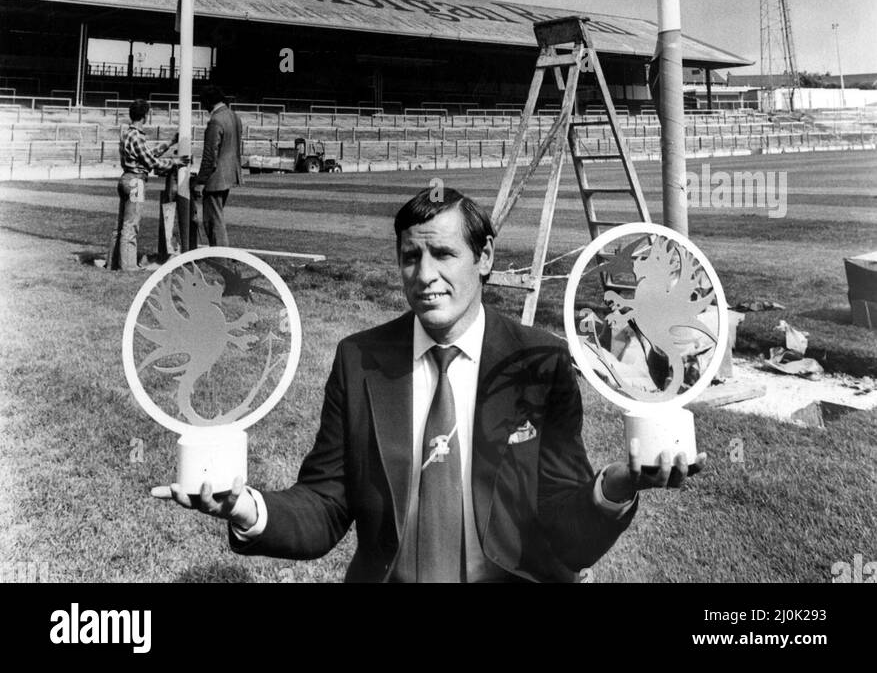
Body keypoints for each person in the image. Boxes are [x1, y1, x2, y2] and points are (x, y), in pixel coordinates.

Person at [153, 185, 704, 583]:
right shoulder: (359, 359)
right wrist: (247, 509)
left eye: (443, 254)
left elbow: (566, 530)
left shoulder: (542, 362)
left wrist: (615, 486)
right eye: (410, 257)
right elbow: (326, 506)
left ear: (484, 258)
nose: (424, 276)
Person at [108, 100, 177, 271]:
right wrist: (175, 162)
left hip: (126, 178)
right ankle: (128, 266)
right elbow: (151, 162)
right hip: (136, 182)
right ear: (145, 115)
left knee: (120, 226)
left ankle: (113, 263)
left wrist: (169, 144)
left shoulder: (126, 134)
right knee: (131, 226)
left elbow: (148, 155)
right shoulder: (136, 136)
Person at [191, 85, 243, 247]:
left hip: (216, 177)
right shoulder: (234, 116)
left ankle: (221, 257)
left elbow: (209, 155)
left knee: (213, 221)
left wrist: (200, 181)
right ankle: (221, 255)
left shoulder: (216, 121)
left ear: (208, 102)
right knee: (217, 217)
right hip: (230, 173)